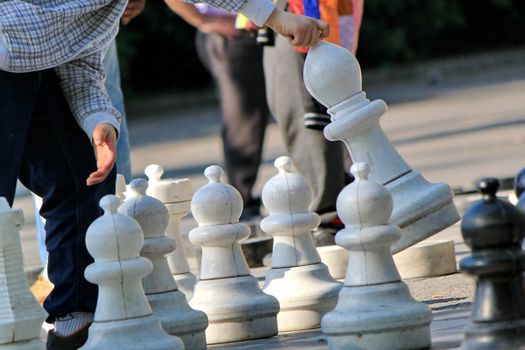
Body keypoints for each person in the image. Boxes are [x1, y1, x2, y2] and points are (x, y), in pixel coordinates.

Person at [0, 1, 328, 348]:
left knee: (82, 174)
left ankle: (76, 315)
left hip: (34, 68)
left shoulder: (105, 10)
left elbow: (79, 58)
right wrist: (276, 17)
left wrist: (98, 120)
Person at [263, 0, 364, 241]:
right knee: (316, 105)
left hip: (302, 9)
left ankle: (329, 215)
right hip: (299, 10)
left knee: (307, 113)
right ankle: (349, 199)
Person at [165, 0, 269, 218]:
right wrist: (202, 20)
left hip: (269, 22)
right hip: (232, 31)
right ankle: (240, 204)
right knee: (244, 120)